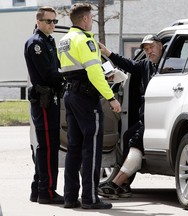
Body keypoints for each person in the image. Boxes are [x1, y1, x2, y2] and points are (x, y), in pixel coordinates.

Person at [58, 3, 121, 209]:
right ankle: (90, 198)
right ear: (84, 19)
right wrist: (111, 97)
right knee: (92, 148)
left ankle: (70, 197)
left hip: (70, 94)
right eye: (91, 17)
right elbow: (93, 73)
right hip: (86, 98)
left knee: (74, 148)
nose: (92, 21)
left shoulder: (65, 40)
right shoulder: (85, 40)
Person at [98, 34, 164, 199]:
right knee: (128, 136)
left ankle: (116, 184)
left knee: (135, 139)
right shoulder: (145, 65)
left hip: (160, 118)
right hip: (147, 117)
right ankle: (126, 184)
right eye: (146, 49)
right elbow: (128, 64)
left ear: (161, 46)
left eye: (152, 47)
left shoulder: (169, 65)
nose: (149, 52)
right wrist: (108, 53)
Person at [24, 6, 64, 204]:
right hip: (44, 100)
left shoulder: (48, 41)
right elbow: (49, 74)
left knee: (46, 146)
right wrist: (69, 77)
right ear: (38, 22)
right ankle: (46, 192)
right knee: (48, 147)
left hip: (49, 100)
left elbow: (56, 66)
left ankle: (37, 189)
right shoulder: (36, 43)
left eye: (54, 21)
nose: (52, 25)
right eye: (49, 21)